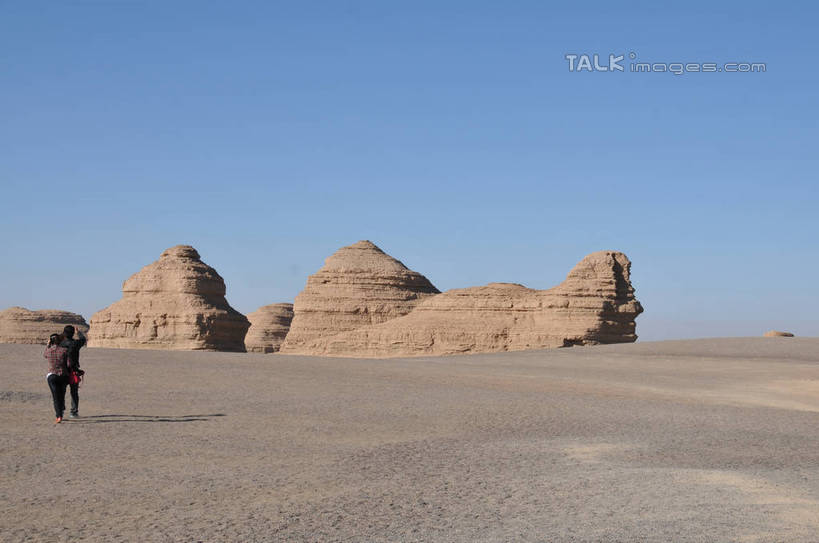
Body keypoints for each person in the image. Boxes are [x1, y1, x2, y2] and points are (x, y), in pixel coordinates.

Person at [60, 325, 86, 418]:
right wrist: (78, 332)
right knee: (74, 392)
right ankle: (73, 412)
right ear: (72, 334)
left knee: (61, 392)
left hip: (62, 371)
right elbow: (83, 339)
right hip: (73, 371)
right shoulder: (75, 344)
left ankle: (61, 411)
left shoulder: (60, 344)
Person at [44, 333, 69, 423]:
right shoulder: (65, 350)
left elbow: (45, 355)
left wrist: (48, 344)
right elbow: (69, 363)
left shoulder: (48, 350)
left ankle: (59, 416)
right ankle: (61, 409)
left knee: (55, 396)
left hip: (52, 376)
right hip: (63, 375)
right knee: (61, 394)